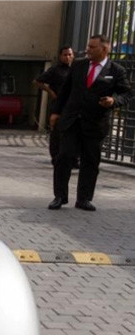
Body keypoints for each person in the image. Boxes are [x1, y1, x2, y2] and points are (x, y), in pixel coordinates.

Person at [48, 34, 132, 211]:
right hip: (72, 121)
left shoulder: (116, 71)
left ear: (105, 49)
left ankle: (84, 199)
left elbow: (126, 94)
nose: (88, 50)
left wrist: (113, 101)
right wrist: (56, 112)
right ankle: (60, 196)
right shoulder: (78, 65)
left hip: (95, 123)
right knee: (64, 156)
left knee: (90, 161)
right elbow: (65, 91)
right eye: (88, 46)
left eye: (92, 47)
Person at [34, 46, 75, 165]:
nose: (67, 57)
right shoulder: (55, 70)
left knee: (72, 132)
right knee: (56, 132)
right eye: (65, 55)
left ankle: (72, 158)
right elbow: (37, 81)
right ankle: (55, 157)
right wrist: (51, 92)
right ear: (60, 56)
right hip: (58, 106)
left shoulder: (76, 69)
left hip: (72, 106)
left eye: (70, 54)